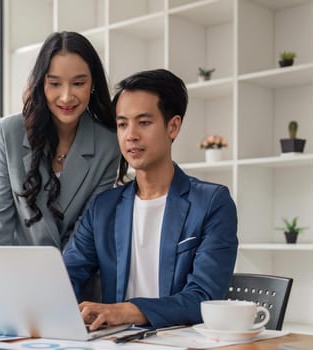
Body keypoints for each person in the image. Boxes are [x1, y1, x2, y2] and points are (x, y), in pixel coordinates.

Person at [63, 69, 238, 330]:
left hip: (181, 342)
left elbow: (204, 298)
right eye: (122, 124)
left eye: (143, 122)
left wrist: (128, 311)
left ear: (173, 126)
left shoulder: (212, 202)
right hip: (115, 343)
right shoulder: (103, 207)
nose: (130, 135)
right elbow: (67, 276)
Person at [0, 31, 120, 250]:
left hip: (76, 276)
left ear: (92, 84)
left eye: (78, 83)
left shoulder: (109, 144)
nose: (66, 97)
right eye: (55, 84)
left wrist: (58, 279)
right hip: (17, 274)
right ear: (41, 84)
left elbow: (86, 230)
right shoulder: (9, 132)